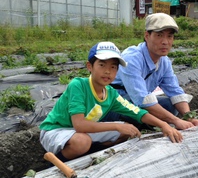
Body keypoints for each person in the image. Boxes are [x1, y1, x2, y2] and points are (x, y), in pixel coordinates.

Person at [39, 41, 183, 161]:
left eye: (113, 67)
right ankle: (56, 162)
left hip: (79, 132)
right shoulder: (79, 85)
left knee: (129, 130)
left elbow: (138, 112)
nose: (108, 71)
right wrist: (116, 126)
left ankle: (91, 154)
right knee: (82, 142)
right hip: (56, 130)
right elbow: (80, 125)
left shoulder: (111, 94)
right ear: (89, 66)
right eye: (102, 65)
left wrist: (164, 125)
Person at [107, 12, 198, 130]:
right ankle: (131, 127)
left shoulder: (164, 62)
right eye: (159, 35)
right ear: (147, 36)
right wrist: (176, 120)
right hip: (112, 106)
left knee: (169, 105)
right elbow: (141, 99)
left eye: (170, 36)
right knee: (137, 108)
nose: (165, 42)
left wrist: (189, 117)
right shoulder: (131, 58)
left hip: (135, 103)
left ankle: (145, 125)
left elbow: (175, 92)